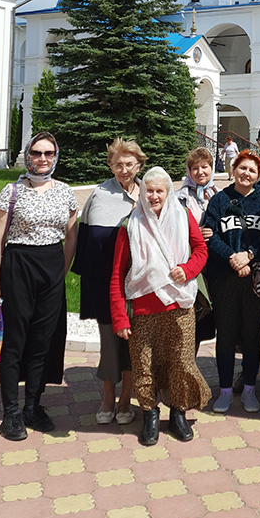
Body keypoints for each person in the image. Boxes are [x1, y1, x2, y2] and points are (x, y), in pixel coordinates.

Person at [0, 132, 78, 441]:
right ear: (28, 154)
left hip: (51, 267)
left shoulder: (65, 192)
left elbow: (71, 238)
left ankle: (33, 406)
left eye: (49, 153)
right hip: (18, 266)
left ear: (56, 156)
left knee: (42, 340)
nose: (42, 158)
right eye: (36, 152)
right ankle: (11, 410)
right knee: (14, 341)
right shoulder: (11, 191)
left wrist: (60, 272)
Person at [109, 167, 211, 446]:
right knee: (144, 365)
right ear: (142, 193)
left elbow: (201, 249)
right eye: (149, 190)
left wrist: (188, 269)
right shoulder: (130, 224)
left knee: (181, 362)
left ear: (168, 193)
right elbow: (118, 273)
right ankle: (150, 413)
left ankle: (178, 412)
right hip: (143, 311)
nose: (154, 196)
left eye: (159, 191)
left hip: (180, 306)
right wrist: (120, 317)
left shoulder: (183, 216)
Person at [72, 137, 144, 426]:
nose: (123, 170)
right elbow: (86, 242)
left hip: (139, 285)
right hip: (106, 283)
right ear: (110, 166)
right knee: (109, 344)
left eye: (129, 164)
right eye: (117, 165)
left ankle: (126, 399)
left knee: (132, 343)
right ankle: (107, 397)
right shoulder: (100, 194)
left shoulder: (148, 193)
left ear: (139, 164)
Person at [203, 150, 260, 414]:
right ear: (234, 169)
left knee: (251, 335)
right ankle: (223, 390)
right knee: (226, 333)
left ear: (258, 175)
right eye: (242, 168)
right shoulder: (220, 200)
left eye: (252, 170)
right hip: (224, 277)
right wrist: (232, 257)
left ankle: (249, 389)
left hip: (254, 279)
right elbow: (209, 235)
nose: (246, 174)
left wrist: (249, 255)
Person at [176, 147, 217, 347]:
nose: (200, 172)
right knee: (193, 316)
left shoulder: (219, 194)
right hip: (192, 264)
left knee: (211, 318)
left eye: (205, 167)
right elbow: (172, 231)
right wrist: (195, 235)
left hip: (216, 264)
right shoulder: (179, 198)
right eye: (195, 168)